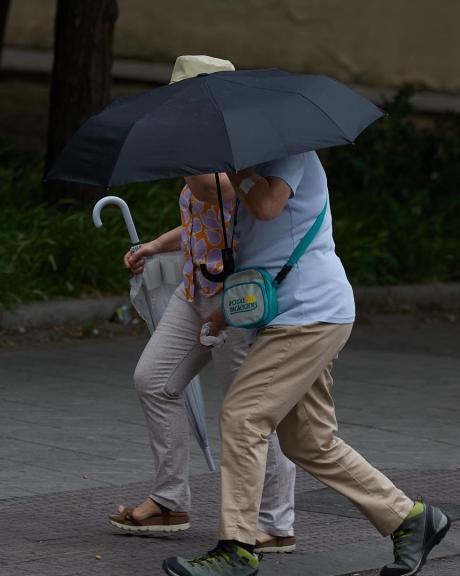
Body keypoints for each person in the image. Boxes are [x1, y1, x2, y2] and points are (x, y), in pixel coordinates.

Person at [162, 151, 451, 576]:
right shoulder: (255, 167)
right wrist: (222, 311)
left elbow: (267, 205)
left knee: (243, 417)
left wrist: (238, 173)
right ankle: (411, 519)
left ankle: (237, 549)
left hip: (308, 314)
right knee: (309, 441)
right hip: (296, 314)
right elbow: (265, 254)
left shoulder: (293, 154)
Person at [109, 55, 298, 554]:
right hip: (193, 292)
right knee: (154, 380)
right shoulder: (199, 149)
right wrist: (155, 245)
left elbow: (207, 191)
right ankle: (171, 498)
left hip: (235, 300)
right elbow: (197, 217)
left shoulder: (236, 155)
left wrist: (177, 141)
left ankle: (277, 522)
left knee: (250, 411)